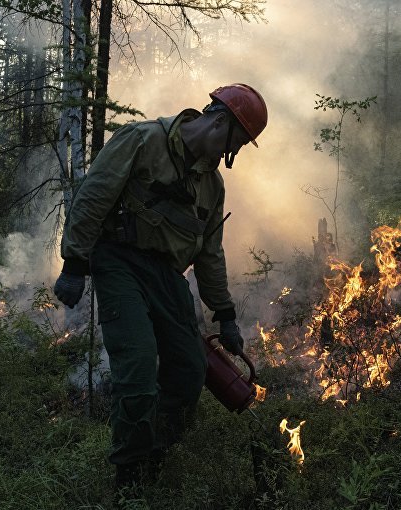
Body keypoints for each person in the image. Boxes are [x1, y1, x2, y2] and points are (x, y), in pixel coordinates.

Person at [52, 83, 267, 489]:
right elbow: (93, 198)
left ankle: (155, 454)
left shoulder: (212, 186)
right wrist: (74, 263)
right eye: (231, 145)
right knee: (136, 368)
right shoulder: (142, 139)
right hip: (119, 262)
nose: (227, 156)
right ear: (218, 121)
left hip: (168, 276)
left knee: (189, 370)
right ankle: (129, 476)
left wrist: (226, 316)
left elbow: (209, 254)